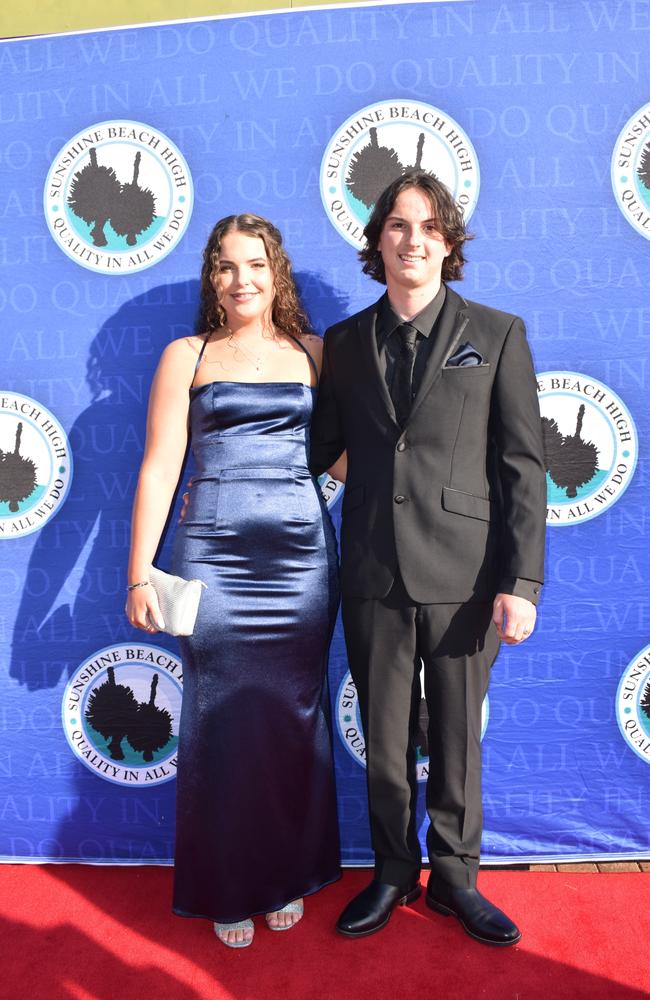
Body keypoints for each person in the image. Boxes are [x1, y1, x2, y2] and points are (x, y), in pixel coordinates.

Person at [309, 170, 546, 946]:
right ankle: (388, 874)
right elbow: (327, 449)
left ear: (450, 243)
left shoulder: (498, 331)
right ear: (377, 240)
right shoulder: (342, 344)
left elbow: (521, 465)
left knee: (454, 737)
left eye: (431, 228)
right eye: (399, 226)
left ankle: (455, 879)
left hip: (469, 572)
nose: (414, 240)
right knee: (384, 736)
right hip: (373, 570)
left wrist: (522, 581)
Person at [126, 214, 341, 948]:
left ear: (276, 271)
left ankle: (285, 874)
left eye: (254, 264)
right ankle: (227, 883)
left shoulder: (314, 352)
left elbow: (342, 460)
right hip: (213, 558)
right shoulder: (187, 354)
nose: (240, 278)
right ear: (211, 279)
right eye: (225, 266)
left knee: (292, 718)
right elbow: (161, 467)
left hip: (303, 559)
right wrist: (139, 574)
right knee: (220, 720)